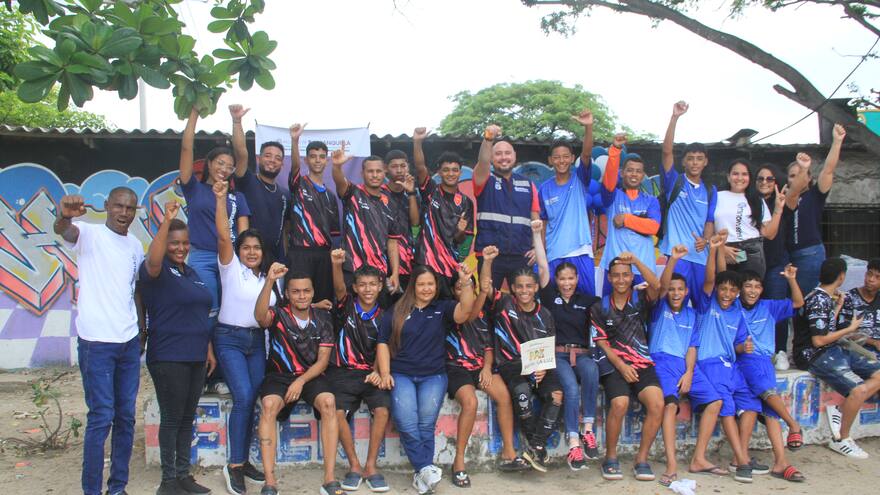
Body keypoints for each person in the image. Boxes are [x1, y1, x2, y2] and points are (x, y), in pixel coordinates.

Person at [55, 189, 144, 495]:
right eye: (118, 206)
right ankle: (91, 491)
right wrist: (64, 215)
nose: (124, 212)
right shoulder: (89, 234)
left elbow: (135, 292)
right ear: (107, 206)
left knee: (126, 417)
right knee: (101, 417)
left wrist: (141, 333)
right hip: (96, 343)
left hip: (128, 342)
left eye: (130, 208)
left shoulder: (135, 246)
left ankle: (117, 488)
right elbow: (64, 229)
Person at [377, 265, 476, 494]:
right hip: (401, 374)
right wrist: (384, 373)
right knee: (406, 421)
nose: (426, 288)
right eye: (421, 284)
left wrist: (466, 282)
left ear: (436, 286)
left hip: (433, 375)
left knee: (425, 424)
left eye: (430, 284)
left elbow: (465, 311)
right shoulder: (397, 309)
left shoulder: (442, 308)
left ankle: (422, 477)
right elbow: (382, 342)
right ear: (413, 286)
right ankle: (425, 468)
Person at [140, 201, 215, 495]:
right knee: (172, 418)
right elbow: (155, 258)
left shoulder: (191, 273)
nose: (180, 248)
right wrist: (166, 221)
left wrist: (207, 348)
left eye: (185, 243)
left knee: (187, 417)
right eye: (174, 243)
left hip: (196, 354)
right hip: (169, 355)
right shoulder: (156, 271)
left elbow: (198, 314)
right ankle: (168, 481)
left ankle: (183, 475)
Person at [254, 263, 341, 495]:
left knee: (329, 403)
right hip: (279, 375)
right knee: (269, 405)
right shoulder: (279, 314)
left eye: (306, 291)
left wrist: (301, 381)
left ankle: (330, 479)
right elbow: (260, 317)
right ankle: (270, 482)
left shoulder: (323, 317)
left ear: (312, 292)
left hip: (310, 376)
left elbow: (323, 362)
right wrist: (270, 281)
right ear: (287, 294)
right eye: (295, 291)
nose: (301, 295)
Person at [445, 245, 528, 487]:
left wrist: (487, 368)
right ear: (454, 291)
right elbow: (472, 306)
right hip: (457, 368)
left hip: (480, 367)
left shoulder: (483, 314)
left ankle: (509, 453)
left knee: (504, 395)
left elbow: (489, 347)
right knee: (470, 403)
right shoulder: (453, 311)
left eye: (469, 286)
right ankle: (459, 462)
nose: (465, 291)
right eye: (460, 287)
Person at [649, 245, 726, 487]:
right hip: (661, 361)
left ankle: (699, 458)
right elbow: (660, 287)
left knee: (715, 401)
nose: (674, 293)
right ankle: (672, 464)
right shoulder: (659, 308)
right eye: (672, 289)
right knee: (669, 407)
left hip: (686, 366)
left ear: (686, 292)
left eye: (680, 289)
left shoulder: (692, 315)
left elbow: (692, 348)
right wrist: (672, 259)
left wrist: (690, 372)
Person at [212, 180, 271, 494]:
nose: (251, 252)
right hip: (230, 339)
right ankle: (234, 465)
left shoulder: (266, 278)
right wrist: (221, 200)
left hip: (255, 343)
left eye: (256, 248)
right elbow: (224, 235)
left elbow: (277, 312)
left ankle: (243, 459)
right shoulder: (230, 268)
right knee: (244, 397)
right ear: (239, 251)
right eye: (246, 247)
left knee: (253, 398)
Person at [793, 257, 880, 459]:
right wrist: (850, 329)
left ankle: (841, 410)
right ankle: (841, 439)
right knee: (858, 390)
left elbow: (825, 327)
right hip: (814, 355)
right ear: (842, 277)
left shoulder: (826, 297)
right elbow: (819, 340)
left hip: (832, 349)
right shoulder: (818, 299)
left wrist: (838, 308)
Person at [590, 252, 664, 482]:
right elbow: (601, 342)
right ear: (609, 279)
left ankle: (641, 460)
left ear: (631, 277)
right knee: (620, 403)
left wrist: (637, 262)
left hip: (642, 363)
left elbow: (657, 284)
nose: (621, 279)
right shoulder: (600, 306)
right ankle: (610, 458)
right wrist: (622, 366)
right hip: (615, 365)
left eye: (625, 275)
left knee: (657, 403)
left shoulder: (640, 298)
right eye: (616, 276)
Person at [532, 219, 600, 469]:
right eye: (562, 279)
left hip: (582, 354)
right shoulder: (550, 297)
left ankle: (588, 430)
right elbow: (541, 266)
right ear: (557, 281)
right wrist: (537, 235)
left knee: (591, 369)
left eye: (571, 278)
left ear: (577, 278)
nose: (567, 283)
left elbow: (613, 307)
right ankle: (573, 444)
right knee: (570, 388)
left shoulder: (589, 300)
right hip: (558, 356)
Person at [690, 233, 754, 483]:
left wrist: (743, 348)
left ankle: (741, 455)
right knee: (725, 407)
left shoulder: (736, 309)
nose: (726, 293)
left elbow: (737, 343)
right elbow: (712, 278)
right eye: (723, 289)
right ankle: (743, 461)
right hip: (709, 363)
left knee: (750, 401)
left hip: (732, 366)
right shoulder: (708, 304)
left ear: (738, 293)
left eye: (732, 290)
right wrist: (715, 250)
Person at [328, 249, 392, 493]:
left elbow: (384, 348)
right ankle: (354, 465)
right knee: (337, 412)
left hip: (371, 373)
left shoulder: (386, 316)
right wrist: (336, 265)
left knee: (383, 410)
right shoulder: (346, 306)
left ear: (380, 287)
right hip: (343, 372)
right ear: (354, 288)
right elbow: (338, 289)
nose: (367, 289)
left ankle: (371, 466)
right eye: (362, 285)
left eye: (372, 285)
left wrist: (378, 370)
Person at [178, 108, 250, 323]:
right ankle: (205, 354)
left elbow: (244, 234)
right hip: (202, 257)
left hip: (231, 259)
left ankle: (223, 353)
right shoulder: (193, 189)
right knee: (208, 308)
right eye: (220, 163)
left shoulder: (238, 197)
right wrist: (194, 113)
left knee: (231, 311)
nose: (224, 169)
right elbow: (185, 148)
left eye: (229, 166)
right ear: (208, 164)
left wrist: (243, 261)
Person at [490, 263, 563, 473]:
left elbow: (548, 348)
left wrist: (543, 368)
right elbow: (486, 288)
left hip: (540, 366)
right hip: (511, 365)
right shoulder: (504, 305)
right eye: (520, 286)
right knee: (522, 393)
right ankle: (536, 447)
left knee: (556, 395)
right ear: (512, 288)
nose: (524, 291)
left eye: (529, 286)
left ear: (536, 288)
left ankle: (535, 446)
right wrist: (488, 262)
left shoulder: (546, 315)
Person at [735, 268, 806, 482]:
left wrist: (792, 280)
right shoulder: (732, 307)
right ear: (740, 289)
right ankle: (793, 424)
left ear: (762, 290)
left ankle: (780, 463)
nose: (753, 290)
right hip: (747, 360)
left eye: (757, 286)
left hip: (766, 362)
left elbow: (798, 302)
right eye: (748, 286)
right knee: (768, 393)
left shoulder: (769, 307)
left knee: (770, 413)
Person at [660, 101, 717, 302]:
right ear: (684, 161)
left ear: (705, 162)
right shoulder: (675, 181)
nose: (694, 162)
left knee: (702, 305)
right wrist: (674, 117)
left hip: (701, 257)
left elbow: (709, 221)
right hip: (677, 255)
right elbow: (667, 152)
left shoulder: (710, 190)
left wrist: (706, 239)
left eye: (699, 158)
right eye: (690, 158)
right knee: (673, 304)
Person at [473, 124, 540, 289]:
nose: (503, 157)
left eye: (507, 153)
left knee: (523, 304)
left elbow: (536, 220)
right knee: (487, 301)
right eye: (498, 154)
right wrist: (488, 139)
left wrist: (537, 248)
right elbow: (482, 162)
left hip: (521, 255)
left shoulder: (528, 184)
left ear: (514, 156)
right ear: (492, 158)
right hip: (490, 255)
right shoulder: (484, 179)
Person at [537, 109, 597, 296]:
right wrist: (544, 253)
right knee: (555, 308)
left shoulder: (579, 179)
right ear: (550, 160)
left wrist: (588, 127)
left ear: (572, 159)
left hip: (581, 252)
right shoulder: (544, 189)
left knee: (587, 304)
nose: (561, 161)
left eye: (565, 156)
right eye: (556, 157)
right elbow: (544, 222)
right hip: (555, 254)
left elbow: (586, 155)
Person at [332, 147, 402, 296]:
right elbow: (339, 182)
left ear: (385, 173)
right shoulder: (352, 193)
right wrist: (337, 166)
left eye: (378, 171)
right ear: (362, 173)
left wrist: (395, 272)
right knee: (349, 314)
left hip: (379, 272)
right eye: (370, 171)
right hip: (352, 269)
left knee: (379, 316)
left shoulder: (391, 202)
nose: (375, 175)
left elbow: (393, 242)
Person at [785, 124, 846, 296]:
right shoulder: (784, 198)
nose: (797, 178)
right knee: (791, 303)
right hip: (787, 256)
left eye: (802, 173)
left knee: (808, 299)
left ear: (810, 177)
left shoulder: (815, 195)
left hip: (810, 253)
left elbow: (828, 170)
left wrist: (837, 142)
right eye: (792, 175)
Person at [599, 132, 661, 295]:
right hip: (615, 268)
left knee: (643, 315)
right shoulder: (612, 196)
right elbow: (608, 179)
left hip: (643, 268)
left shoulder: (651, 200)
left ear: (643, 175)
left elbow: (653, 227)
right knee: (610, 313)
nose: (634, 174)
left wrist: (626, 219)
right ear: (622, 173)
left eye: (638, 171)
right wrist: (616, 149)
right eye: (630, 170)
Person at [412, 128, 474, 288]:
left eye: (455, 170)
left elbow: (461, 240)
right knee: (424, 305)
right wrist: (417, 142)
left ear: (460, 173)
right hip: (425, 260)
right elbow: (420, 167)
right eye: (446, 170)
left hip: (449, 264)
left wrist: (460, 231)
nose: (450, 174)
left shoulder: (466, 203)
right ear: (439, 172)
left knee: (447, 308)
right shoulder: (431, 191)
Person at [286, 123, 341, 304]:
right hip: (299, 254)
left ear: (327, 160)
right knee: (299, 300)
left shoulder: (331, 197)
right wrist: (295, 140)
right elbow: (294, 168)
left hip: (324, 256)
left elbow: (335, 236)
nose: (317, 160)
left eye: (322, 157)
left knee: (323, 301)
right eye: (313, 157)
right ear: (306, 160)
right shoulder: (298, 185)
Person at [230, 104, 289, 262]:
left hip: (276, 260)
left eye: (278, 158)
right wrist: (237, 121)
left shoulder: (285, 194)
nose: (272, 161)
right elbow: (241, 153)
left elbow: (284, 231)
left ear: (282, 164)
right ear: (258, 158)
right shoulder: (247, 181)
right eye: (268, 156)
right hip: (249, 259)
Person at [714, 158, 785, 278]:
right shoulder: (716, 196)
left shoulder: (757, 199)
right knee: (725, 291)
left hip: (751, 251)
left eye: (744, 174)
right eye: (735, 174)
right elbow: (708, 227)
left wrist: (778, 208)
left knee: (749, 292)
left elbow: (769, 234)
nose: (740, 178)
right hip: (724, 249)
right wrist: (721, 249)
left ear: (750, 178)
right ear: (728, 177)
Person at [755, 163, 793, 368]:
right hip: (753, 264)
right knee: (754, 309)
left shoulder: (784, 203)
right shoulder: (749, 202)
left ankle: (780, 351)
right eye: (760, 178)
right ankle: (761, 351)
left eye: (769, 179)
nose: (764, 182)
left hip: (776, 263)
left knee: (778, 306)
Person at [382, 149, 420, 292]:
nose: (399, 170)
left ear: (408, 167)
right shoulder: (379, 192)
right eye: (394, 166)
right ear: (386, 169)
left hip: (408, 259)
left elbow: (415, 222)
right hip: (384, 259)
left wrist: (410, 193)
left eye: (403, 166)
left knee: (405, 305)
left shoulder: (412, 193)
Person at [840, 258, 880, 358]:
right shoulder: (849, 298)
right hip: (859, 349)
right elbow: (843, 332)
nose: (871, 279)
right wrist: (874, 342)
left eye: (877, 277)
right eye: (869, 274)